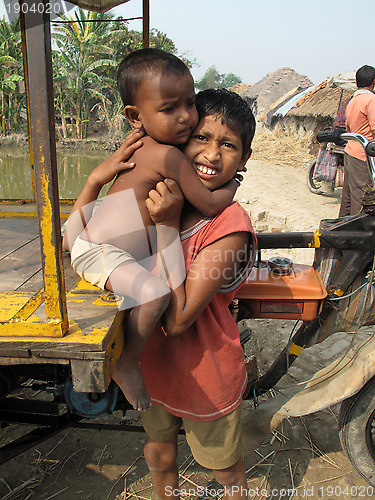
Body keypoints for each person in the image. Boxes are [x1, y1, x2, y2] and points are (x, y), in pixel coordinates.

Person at [68, 88, 257, 499]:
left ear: (243, 160)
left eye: (228, 145)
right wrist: (97, 179)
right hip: (153, 367)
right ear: (179, 141)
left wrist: (169, 225)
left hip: (204, 374)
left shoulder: (228, 224)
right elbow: (79, 235)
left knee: (224, 472)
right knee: (158, 454)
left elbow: (178, 318)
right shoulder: (160, 193)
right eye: (201, 139)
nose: (210, 154)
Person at [64, 49, 241, 412]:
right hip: (100, 251)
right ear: (134, 116)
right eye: (170, 109)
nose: (186, 118)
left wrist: (97, 179)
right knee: (156, 294)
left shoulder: (146, 145)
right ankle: (126, 363)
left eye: (190, 104)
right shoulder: (169, 157)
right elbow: (209, 205)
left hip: (91, 242)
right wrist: (233, 186)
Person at [339, 65, 375, 217]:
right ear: (373, 82)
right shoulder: (371, 100)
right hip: (363, 155)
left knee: (348, 196)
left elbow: (349, 128)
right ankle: (358, 234)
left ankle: (341, 231)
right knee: (361, 198)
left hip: (350, 152)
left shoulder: (352, 101)